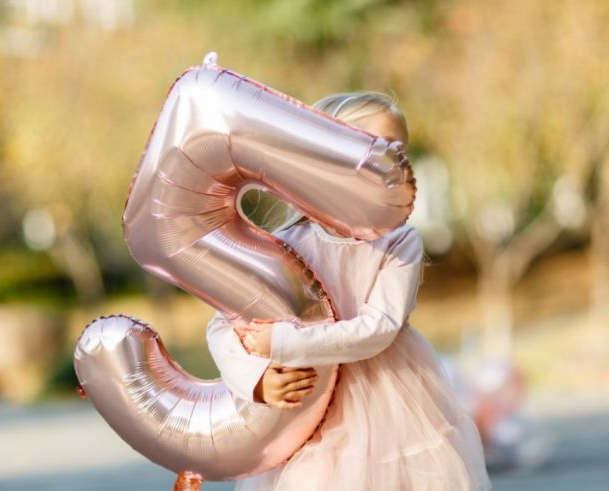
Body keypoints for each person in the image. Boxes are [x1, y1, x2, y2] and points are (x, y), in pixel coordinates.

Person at [206, 92, 491, 490]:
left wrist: (285, 341)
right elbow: (223, 328)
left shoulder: (398, 242)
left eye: (399, 150)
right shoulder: (281, 246)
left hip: (386, 402)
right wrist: (255, 378)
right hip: (309, 416)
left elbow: (380, 327)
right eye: (371, 146)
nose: (389, 160)